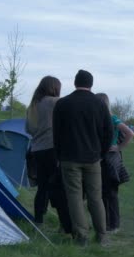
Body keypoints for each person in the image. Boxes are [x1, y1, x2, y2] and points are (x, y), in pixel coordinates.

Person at [53, 70, 113, 246]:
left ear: (74, 82)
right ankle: (102, 235)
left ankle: (82, 236)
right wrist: (101, 153)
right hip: (93, 158)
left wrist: (59, 155)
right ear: (91, 84)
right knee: (96, 197)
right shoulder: (99, 104)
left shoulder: (63, 104)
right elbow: (108, 133)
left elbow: (57, 133)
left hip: (69, 158)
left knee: (74, 197)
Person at [25, 76, 72, 234]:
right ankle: (64, 225)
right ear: (54, 88)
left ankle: (38, 221)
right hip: (52, 150)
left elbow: (28, 129)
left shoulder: (33, 105)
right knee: (58, 189)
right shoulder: (55, 102)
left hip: (36, 150)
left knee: (42, 188)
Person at [96, 93, 134, 234]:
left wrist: (119, 147)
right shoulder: (105, 119)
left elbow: (130, 133)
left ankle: (113, 225)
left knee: (110, 193)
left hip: (110, 158)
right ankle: (108, 224)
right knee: (103, 193)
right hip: (104, 158)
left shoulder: (112, 119)